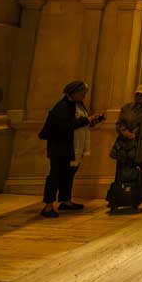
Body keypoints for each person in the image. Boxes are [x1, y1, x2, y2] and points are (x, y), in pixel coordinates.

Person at [39, 81, 104, 218]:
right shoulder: (62, 107)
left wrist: (93, 120)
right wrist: (87, 119)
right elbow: (65, 126)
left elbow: (81, 123)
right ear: (73, 93)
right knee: (55, 175)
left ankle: (65, 200)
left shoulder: (78, 105)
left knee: (69, 174)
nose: (84, 96)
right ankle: (48, 205)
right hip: (62, 148)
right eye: (82, 93)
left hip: (76, 146)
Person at [111, 84, 142, 193]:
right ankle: (121, 193)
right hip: (125, 144)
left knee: (137, 168)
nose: (138, 97)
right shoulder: (126, 108)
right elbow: (120, 123)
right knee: (122, 168)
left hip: (141, 144)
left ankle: (135, 192)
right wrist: (127, 133)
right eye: (137, 94)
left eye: (141, 95)